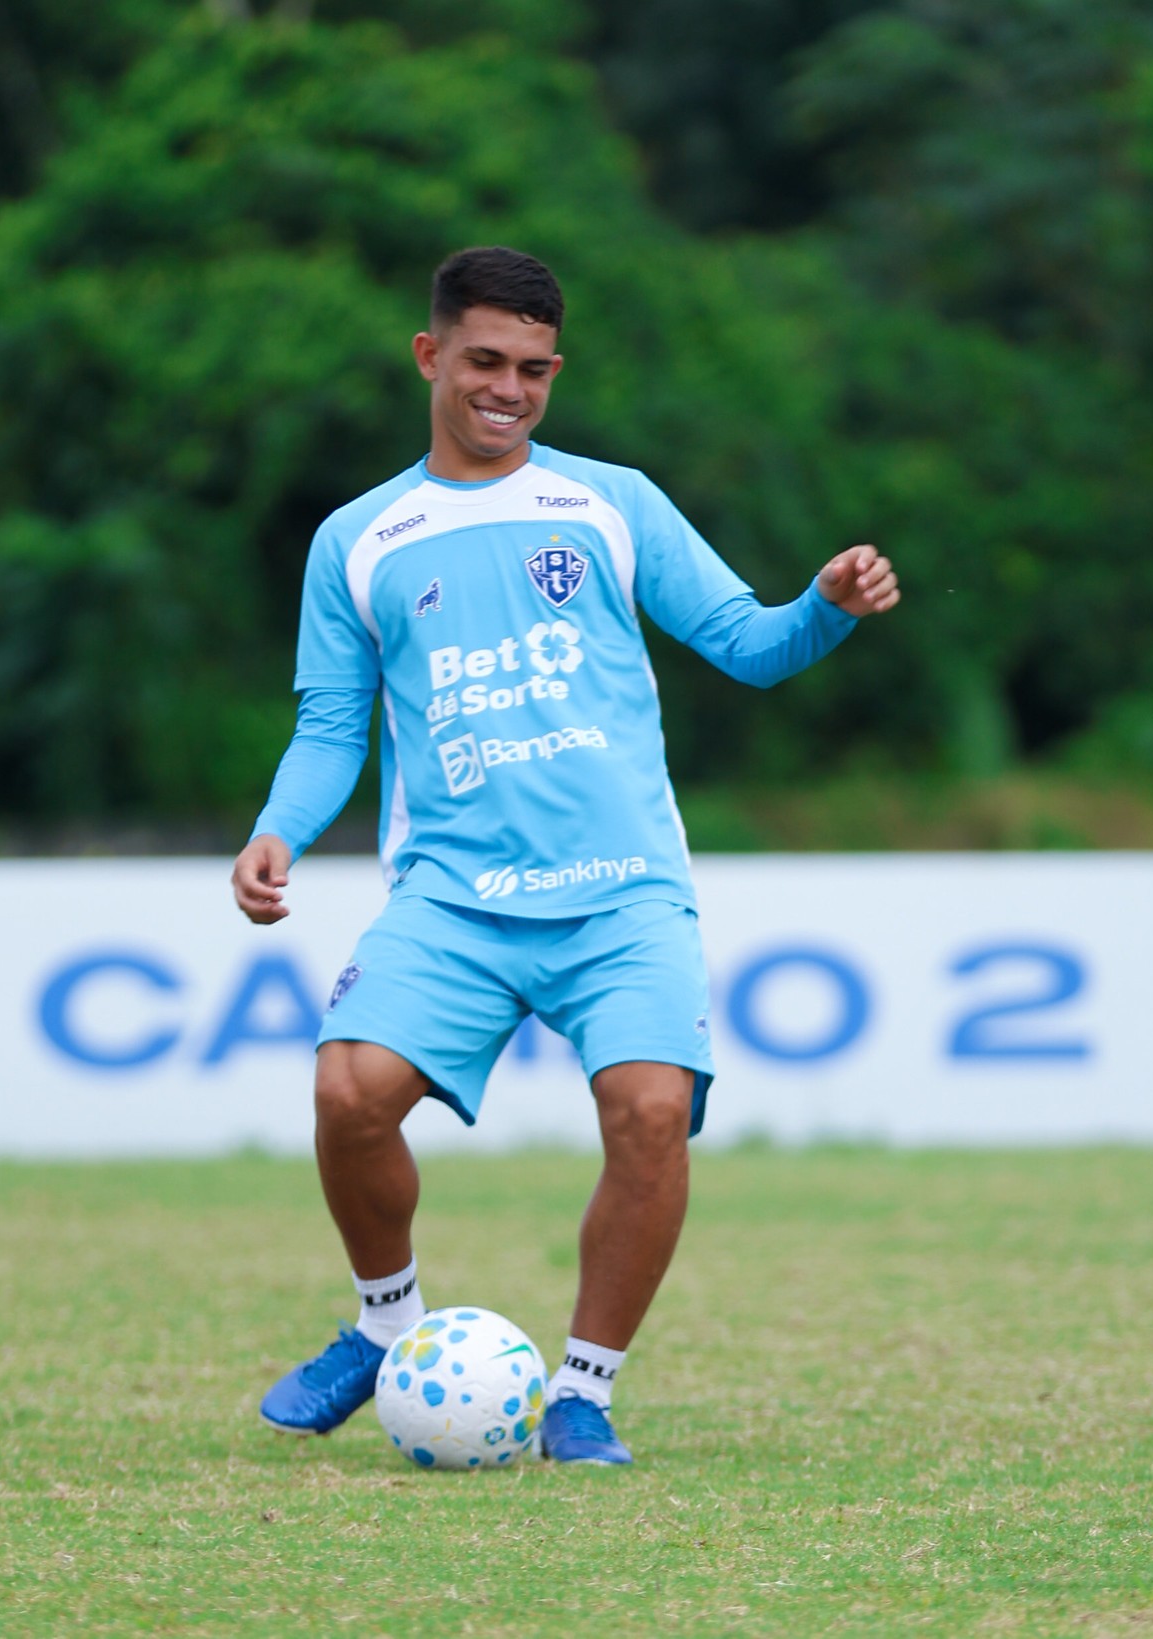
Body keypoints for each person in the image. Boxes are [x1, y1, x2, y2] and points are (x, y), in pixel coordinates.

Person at [231, 246, 900, 1465]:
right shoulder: (359, 539)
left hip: (621, 895)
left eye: (534, 369)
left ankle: (581, 1391)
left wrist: (823, 607)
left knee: (648, 1116)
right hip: (452, 902)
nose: (509, 389)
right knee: (346, 1092)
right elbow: (333, 725)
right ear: (430, 355)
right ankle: (386, 1329)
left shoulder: (610, 502)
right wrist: (280, 828)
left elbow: (751, 647)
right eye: (484, 361)